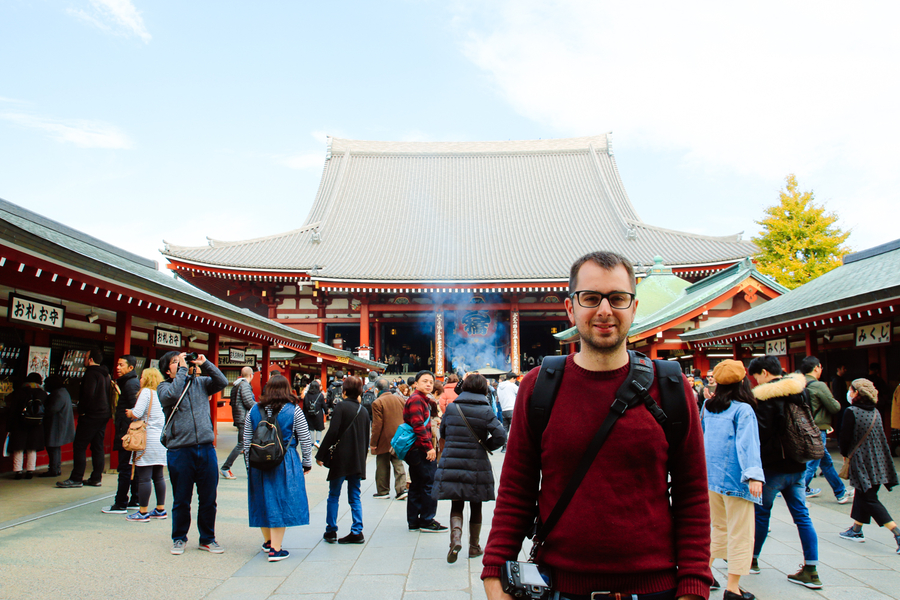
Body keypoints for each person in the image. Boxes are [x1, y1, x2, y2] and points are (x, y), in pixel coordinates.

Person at [482, 251, 712, 600]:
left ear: (634, 308)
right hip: (559, 586)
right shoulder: (539, 386)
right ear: (571, 308)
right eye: (590, 298)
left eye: (618, 298)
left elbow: (692, 492)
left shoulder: (670, 387)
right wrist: (494, 572)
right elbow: (516, 488)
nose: (605, 310)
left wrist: (694, 585)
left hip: (655, 586)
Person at [747, 355, 822, 588]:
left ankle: (752, 561)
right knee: (802, 515)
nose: (756, 382)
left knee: (761, 514)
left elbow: (761, 433)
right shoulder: (801, 391)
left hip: (773, 468)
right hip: (799, 464)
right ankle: (811, 569)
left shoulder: (767, 397)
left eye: (756, 376)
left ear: (765, 373)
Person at [701, 360, 764, 600]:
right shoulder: (743, 409)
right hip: (737, 479)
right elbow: (747, 445)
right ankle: (733, 588)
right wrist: (754, 475)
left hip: (711, 477)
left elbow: (701, 438)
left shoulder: (708, 406)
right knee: (741, 532)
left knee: (717, 528)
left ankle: (702, 573)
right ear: (742, 382)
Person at [157, 351, 228, 555]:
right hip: (180, 450)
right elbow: (172, 396)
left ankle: (207, 538)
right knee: (181, 498)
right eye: (174, 363)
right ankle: (179, 538)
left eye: (181, 362)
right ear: (166, 369)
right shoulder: (164, 387)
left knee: (208, 498)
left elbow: (221, 382)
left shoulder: (200, 383)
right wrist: (181, 371)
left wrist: (205, 363)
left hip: (205, 448)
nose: (181, 364)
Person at [432, 373, 506, 563]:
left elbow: (444, 431)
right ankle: (474, 547)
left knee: (456, 503)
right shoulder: (486, 410)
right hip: (476, 462)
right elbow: (501, 435)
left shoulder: (453, 407)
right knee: (476, 503)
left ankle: (455, 539)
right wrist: (486, 446)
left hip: (453, 460)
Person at [244, 375, 313, 562]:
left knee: (263, 499)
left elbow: (246, 439)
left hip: (258, 460)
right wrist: (306, 462)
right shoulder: (293, 410)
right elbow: (305, 439)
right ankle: (276, 549)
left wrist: (249, 464)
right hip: (285, 459)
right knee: (280, 501)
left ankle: (268, 542)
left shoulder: (253, 410)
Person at [837, 378, 900, 553]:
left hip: (861, 462)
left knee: (869, 499)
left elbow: (845, 438)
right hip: (879, 462)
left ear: (856, 393)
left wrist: (844, 454)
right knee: (863, 494)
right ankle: (856, 530)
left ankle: (897, 533)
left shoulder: (851, 412)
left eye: (851, 390)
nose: (849, 393)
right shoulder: (876, 412)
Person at [316, 375, 370, 544]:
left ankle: (331, 530)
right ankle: (357, 530)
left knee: (334, 494)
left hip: (340, 457)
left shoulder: (341, 407)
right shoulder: (364, 411)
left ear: (344, 391)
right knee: (355, 495)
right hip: (357, 458)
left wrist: (321, 454)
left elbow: (332, 432)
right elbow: (366, 438)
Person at [799, 356, 851, 503]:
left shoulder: (799, 384)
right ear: (816, 368)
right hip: (817, 429)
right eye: (820, 367)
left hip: (804, 427)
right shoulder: (819, 386)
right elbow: (835, 407)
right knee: (813, 464)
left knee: (825, 462)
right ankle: (797, 490)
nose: (821, 370)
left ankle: (840, 492)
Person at [57, 349, 111, 488]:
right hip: (104, 414)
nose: (84, 360)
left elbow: (88, 394)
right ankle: (96, 477)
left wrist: (82, 411)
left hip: (91, 415)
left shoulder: (90, 374)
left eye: (86, 357)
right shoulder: (106, 374)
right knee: (97, 446)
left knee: (80, 446)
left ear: (91, 359)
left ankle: (76, 478)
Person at [404, 370, 448, 534]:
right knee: (430, 483)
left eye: (431, 381)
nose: (428, 384)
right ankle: (427, 520)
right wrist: (428, 447)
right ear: (416, 384)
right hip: (420, 449)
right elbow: (418, 426)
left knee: (416, 484)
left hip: (414, 449)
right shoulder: (417, 400)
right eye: (424, 381)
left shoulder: (421, 399)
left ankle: (414, 521)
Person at [123, 368, 168, 522]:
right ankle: (160, 508)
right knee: (158, 476)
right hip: (160, 440)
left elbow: (137, 413)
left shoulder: (146, 392)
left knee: (144, 477)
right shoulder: (161, 394)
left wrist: (130, 413)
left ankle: (143, 512)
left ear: (147, 379)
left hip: (146, 438)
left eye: (142, 377)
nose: (140, 380)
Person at [102, 355, 141, 514]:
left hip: (128, 432)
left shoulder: (130, 384)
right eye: (117, 364)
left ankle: (121, 503)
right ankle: (134, 499)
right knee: (132, 467)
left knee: (125, 467)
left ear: (131, 368)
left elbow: (135, 409)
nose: (117, 367)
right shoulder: (127, 382)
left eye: (121, 365)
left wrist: (127, 426)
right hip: (126, 429)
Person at [369, 377, 408, 500]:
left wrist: (373, 442)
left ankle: (383, 490)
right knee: (398, 463)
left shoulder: (377, 402)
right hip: (399, 437)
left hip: (383, 438)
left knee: (382, 465)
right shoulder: (400, 399)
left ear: (377, 389)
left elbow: (377, 425)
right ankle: (401, 489)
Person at [7, 372, 47, 479]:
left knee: (18, 448)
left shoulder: (19, 392)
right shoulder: (42, 393)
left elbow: (12, 410)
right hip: (36, 425)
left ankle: (18, 471)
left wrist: (9, 426)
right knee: (31, 449)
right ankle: (30, 471)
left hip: (19, 423)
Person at [220, 366, 256, 480]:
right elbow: (248, 402)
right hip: (244, 418)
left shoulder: (236, 385)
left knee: (246, 445)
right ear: (251, 375)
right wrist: (260, 407)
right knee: (242, 444)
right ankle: (225, 467)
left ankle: (250, 471)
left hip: (239, 417)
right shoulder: (245, 385)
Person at [40, 375, 74, 477]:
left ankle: (54, 469)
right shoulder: (63, 392)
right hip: (61, 424)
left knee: (53, 447)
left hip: (56, 425)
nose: (45, 386)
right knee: (55, 448)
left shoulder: (57, 394)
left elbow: (51, 409)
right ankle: (55, 468)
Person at [496, 372, 518, 453]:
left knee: (505, 429)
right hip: (512, 409)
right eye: (515, 379)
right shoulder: (511, 385)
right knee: (515, 429)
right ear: (512, 378)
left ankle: (504, 446)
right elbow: (520, 392)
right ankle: (515, 446)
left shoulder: (499, 387)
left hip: (504, 410)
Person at [303, 379, 326, 446]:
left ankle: (312, 443)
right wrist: (327, 411)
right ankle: (317, 441)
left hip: (309, 414)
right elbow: (323, 405)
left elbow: (305, 406)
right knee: (319, 429)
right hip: (318, 414)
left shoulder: (307, 395)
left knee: (311, 429)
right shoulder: (320, 395)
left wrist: (304, 414)